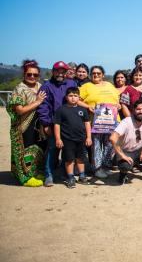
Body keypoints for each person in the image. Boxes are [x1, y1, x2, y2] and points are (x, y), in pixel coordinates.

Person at [37, 61, 79, 186]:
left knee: (68, 150)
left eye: (63, 72)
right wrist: (46, 124)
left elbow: (77, 102)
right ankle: (48, 174)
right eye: (57, 72)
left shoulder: (72, 83)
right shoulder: (46, 86)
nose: (60, 74)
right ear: (53, 72)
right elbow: (43, 107)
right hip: (53, 124)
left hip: (70, 125)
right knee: (52, 148)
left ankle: (66, 173)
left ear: (67, 72)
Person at [8, 59, 47, 187]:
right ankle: (25, 177)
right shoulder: (20, 89)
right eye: (29, 74)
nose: (32, 77)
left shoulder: (40, 86)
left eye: (35, 75)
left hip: (38, 124)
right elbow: (19, 110)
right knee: (26, 149)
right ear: (24, 74)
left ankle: (34, 173)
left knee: (37, 148)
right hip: (24, 124)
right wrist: (37, 102)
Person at [78, 65, 121, 179]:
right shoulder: (86, 86)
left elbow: (117, 98)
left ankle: (106, 167)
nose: (96, 75)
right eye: (93, 73)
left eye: (98, 73)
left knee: (109, 145)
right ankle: (97, 169)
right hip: (96, 122)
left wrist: (118, 105)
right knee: (96, 145)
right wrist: (87, 107)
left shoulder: (109, 85)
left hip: (111, 121)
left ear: (103, 75)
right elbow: (77, 100)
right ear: (90, 75)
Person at [110, 100, 142, 184]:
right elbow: (113, 138)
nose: (141, 112)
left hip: (138, 150)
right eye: (138, 109)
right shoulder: (126, 121)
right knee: (125, 165)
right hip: (124, 152)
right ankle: (123, 174)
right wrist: (122, 155)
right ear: (133, 109)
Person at [52, 87, 92, 188]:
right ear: (66, 97)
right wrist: (58, 139)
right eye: (70, 96)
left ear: (79, 97)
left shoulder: (82, 110)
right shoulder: (61, 109)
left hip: (81, 138)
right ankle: (70, 177)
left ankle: (82, 176)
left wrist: (89, 137)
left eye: (75, 96)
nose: (73, 98)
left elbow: (87, 124)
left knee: (80, 158)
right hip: (67, 139)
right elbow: (57, 124)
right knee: (69, 159)